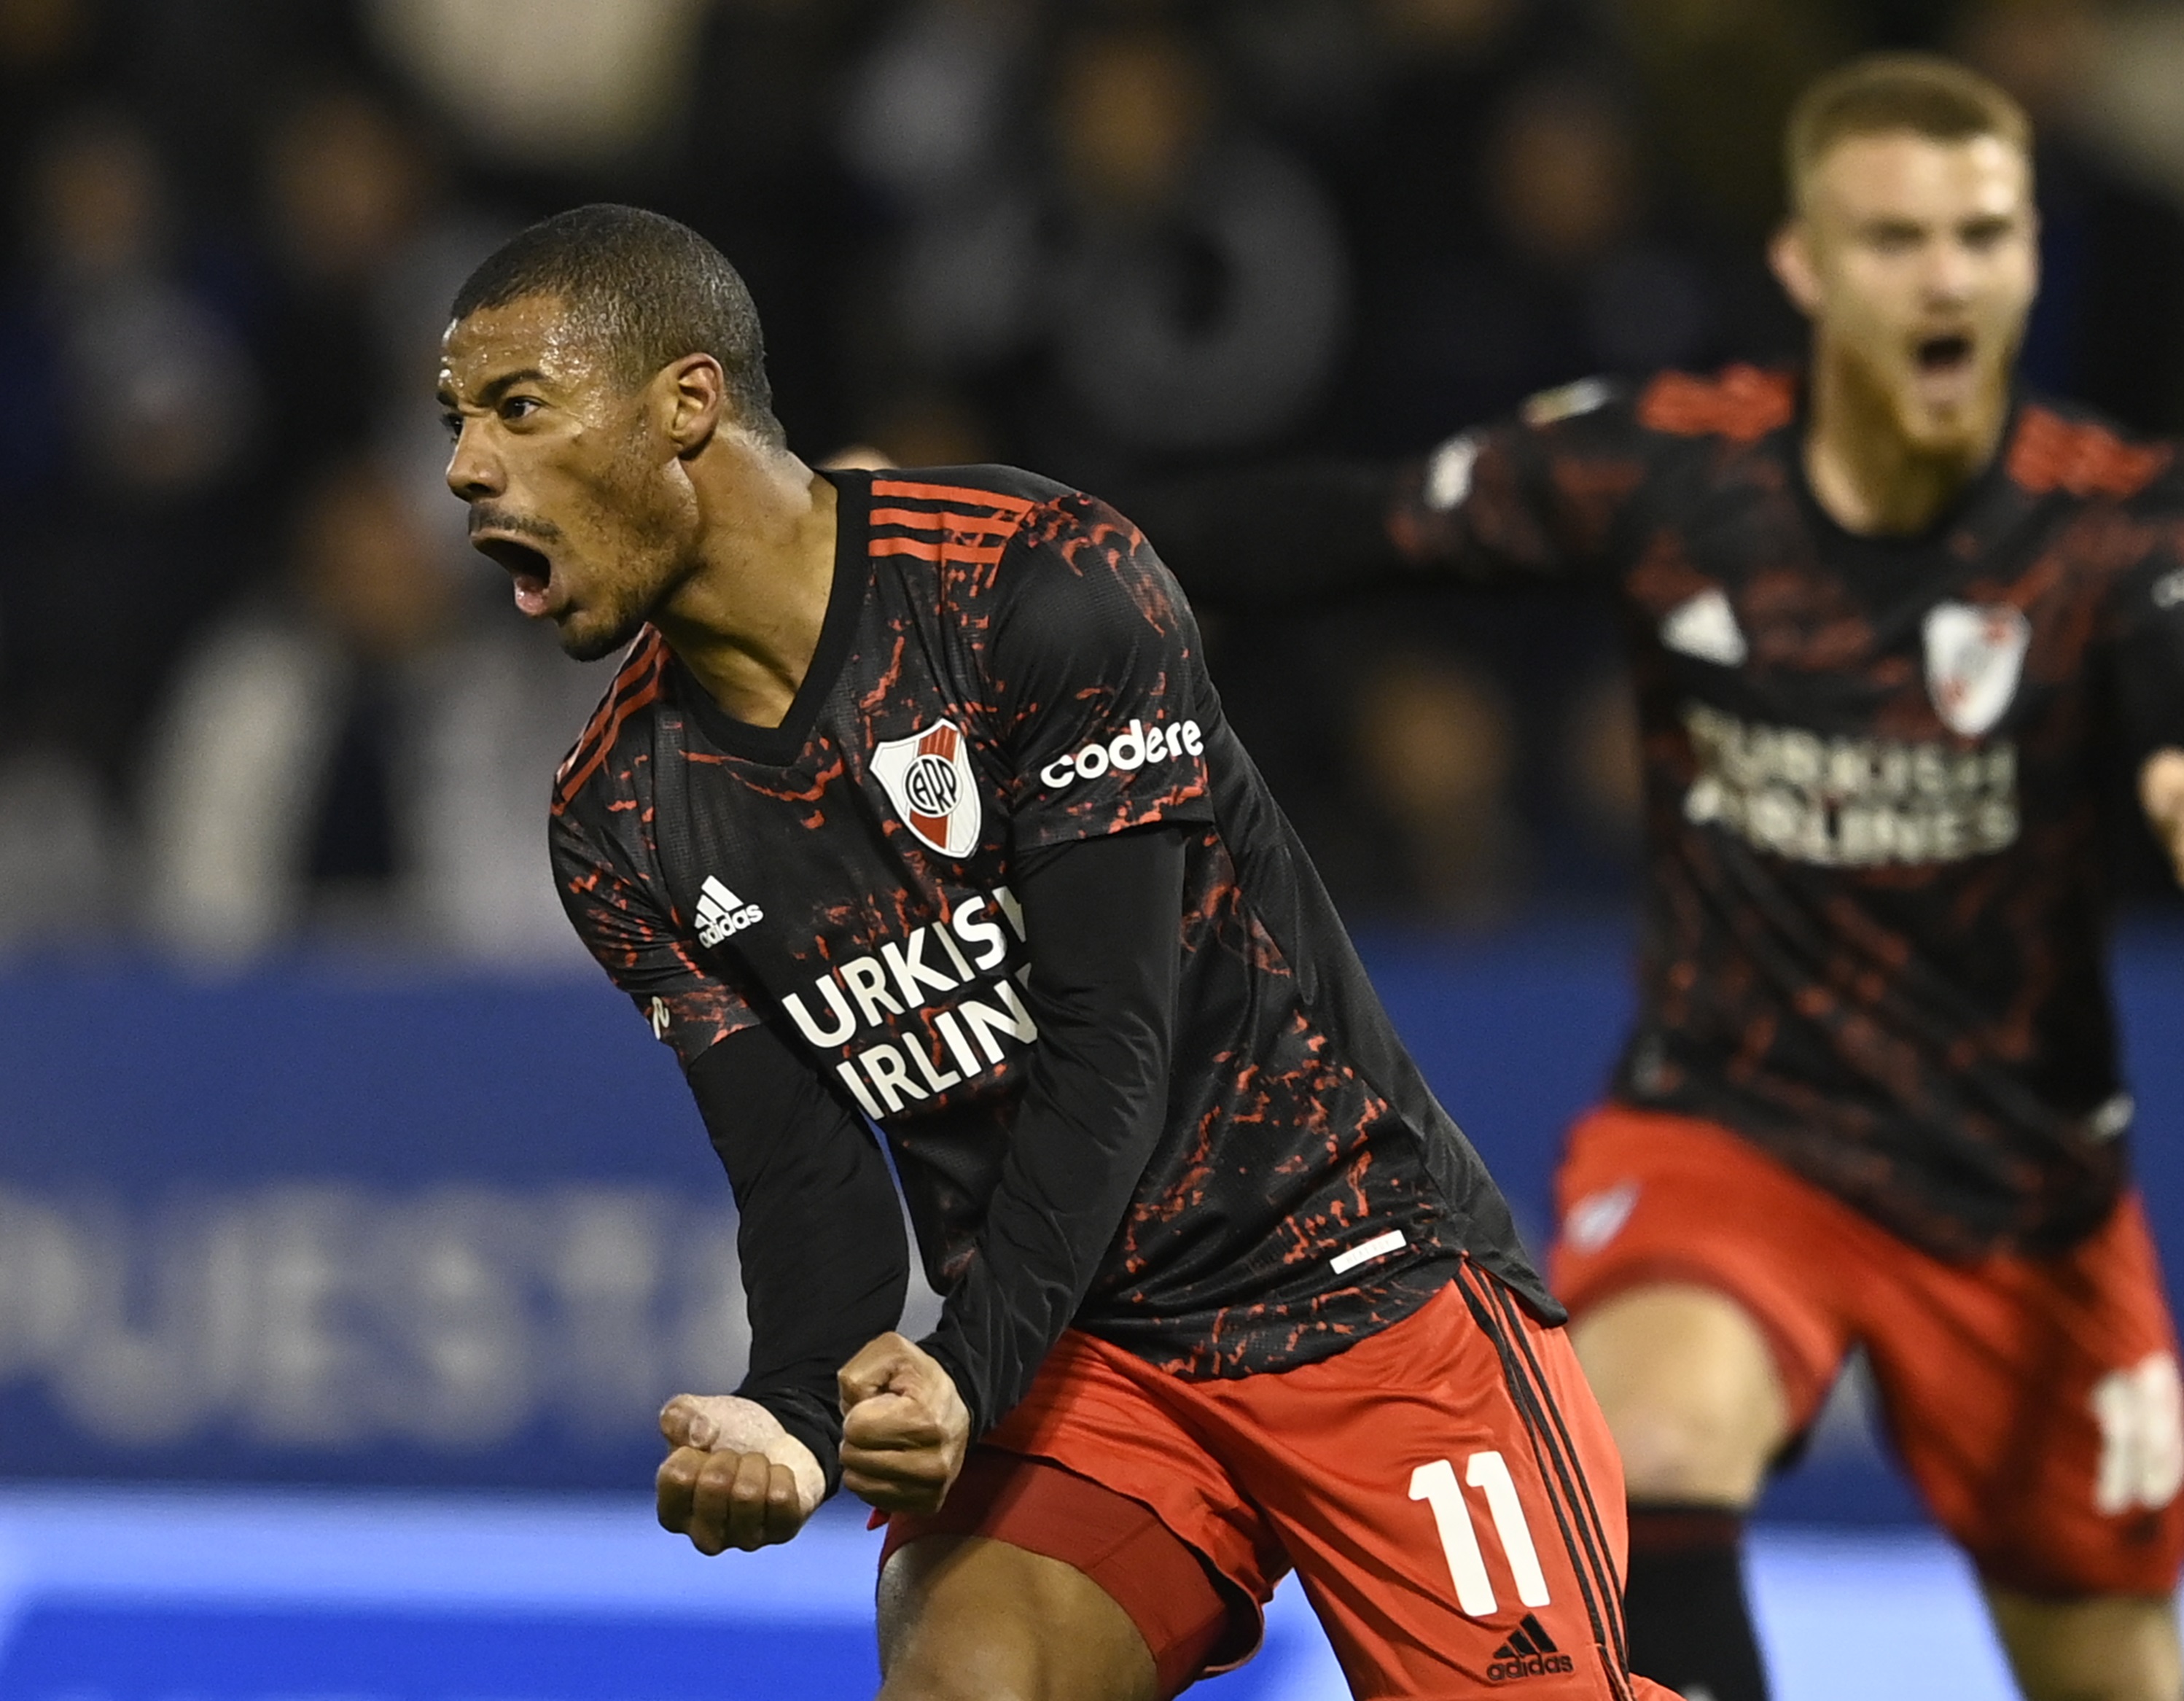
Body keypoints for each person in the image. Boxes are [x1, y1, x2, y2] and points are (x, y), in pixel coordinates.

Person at [1138, 55, 2184, 1701]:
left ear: (2030, 259)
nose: (1944, 277)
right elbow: (1348, 526)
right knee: (1641, 1436)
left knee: (2110, 1666)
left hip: (2020, 1186)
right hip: (1734, 1133)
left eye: (1982, 234)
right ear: (1807, 268)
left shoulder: (2124, 514)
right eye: (1893, 239)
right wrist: (991, 537)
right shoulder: (1677, 475)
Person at [434, 203, 1669, 1701]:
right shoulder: (619, 816)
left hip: (1355, 1293)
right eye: (456, 423)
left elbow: (1113, 1046)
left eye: (516, 408)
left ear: (685, 403)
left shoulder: (1033, 581)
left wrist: (963, 1365)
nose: (464, 470)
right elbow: (807, 1179)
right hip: (1082, 1365)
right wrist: (791, 1416)